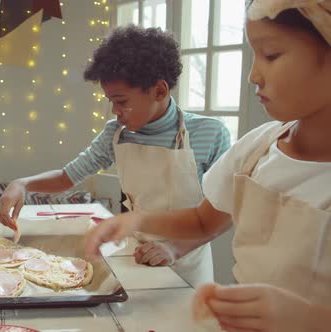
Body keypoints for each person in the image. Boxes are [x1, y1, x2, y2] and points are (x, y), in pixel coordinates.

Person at [85, 2, 331, 331]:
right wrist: (137, 219)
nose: (253, 75)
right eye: (254, 54)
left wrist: (312, 319)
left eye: (271, 55)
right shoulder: (256, 149)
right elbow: (203, 221)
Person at [0, 25, 231, 287]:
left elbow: (223, 214)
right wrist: (22, 184)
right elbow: (66, 177)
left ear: (160, 91)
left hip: (190, 267)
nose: (113, 111)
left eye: (121, 101)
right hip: (136, 257)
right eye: (111, 101)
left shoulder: (210, 134)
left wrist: (173, 249)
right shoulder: (115, 134)